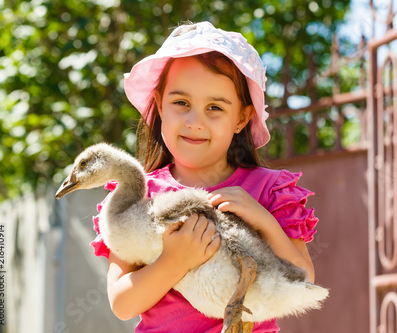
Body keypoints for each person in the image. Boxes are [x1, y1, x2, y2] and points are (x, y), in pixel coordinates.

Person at [90, 21, 319, 333]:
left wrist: (263, 219)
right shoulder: (137, 194)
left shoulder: (269, 191)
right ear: (159, 105)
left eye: (214, 107)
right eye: (181, 103)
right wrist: (175, 260)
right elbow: (122, 302)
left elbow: (303, 281)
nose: (195, 121)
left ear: (241, 117)